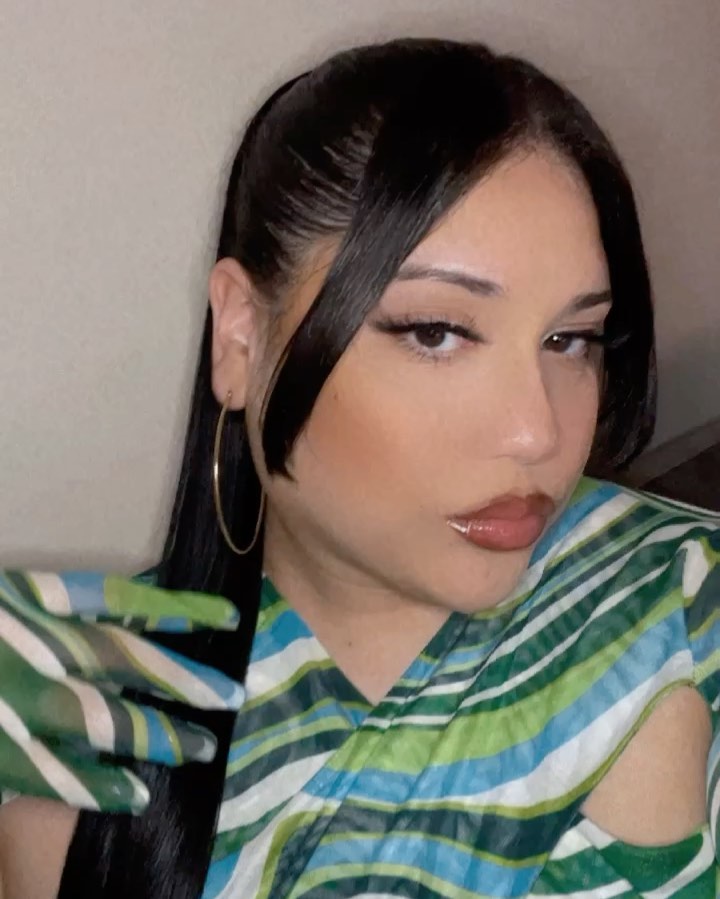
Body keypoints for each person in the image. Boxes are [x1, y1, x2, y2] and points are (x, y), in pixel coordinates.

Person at [0, 35, 719, 898]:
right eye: (436, 332)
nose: (539, 432)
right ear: (242, 336)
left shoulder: (685, 588)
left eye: (571, 339)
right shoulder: (81, 767)